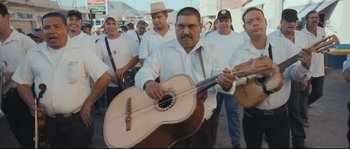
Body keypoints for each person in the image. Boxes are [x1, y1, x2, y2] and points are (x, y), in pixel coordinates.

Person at [135, 7, 236, 148]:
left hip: (203, 123)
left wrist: (226, 84)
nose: (186, 31)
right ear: (175, 26)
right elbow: (144, 71)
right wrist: (148, 83)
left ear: (200, 27)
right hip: (170, 125)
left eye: (191, 26)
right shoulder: (162, 50)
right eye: (181, 26)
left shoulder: (213, 50)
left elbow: (222, 81)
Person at [12, 12, 111, 148]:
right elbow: (22, 82)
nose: (51, 31)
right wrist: (31, 103)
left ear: (66, 28)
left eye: (57, 26)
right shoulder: (34, 52)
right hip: (48, 122)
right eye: (47, 27)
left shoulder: (82, 50)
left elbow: (104, 77)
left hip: (78, 120)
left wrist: (89, 103)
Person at [228, 7, 312, 148]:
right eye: (250, 22)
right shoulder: (240, 52)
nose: (255, 23)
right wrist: (255, 73)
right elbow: (234, 80)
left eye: (258, 19)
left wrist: (305, 65)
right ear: (244, 27)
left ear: (266, 22)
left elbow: (296, 75)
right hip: (252, 115)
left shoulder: (284, 45)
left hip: (279, 116)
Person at [269, 8, 314, 148]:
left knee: (295, 110)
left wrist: (305, 77)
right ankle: (269, 134)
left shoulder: (303, 37)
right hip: (276, 79)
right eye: (288, 21)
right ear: (281, 22)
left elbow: (307, 59)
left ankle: (298, 141)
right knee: (275, 109)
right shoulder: (272, 37)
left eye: (294, 21)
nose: (291, 24)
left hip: (296, 77)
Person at [204, 9, 244, 148]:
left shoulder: (239, 37)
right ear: (216, 23)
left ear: (231, 22)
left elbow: (243, 58)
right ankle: (210, 142)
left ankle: (236, 143)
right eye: (221, 20)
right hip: (213, 82)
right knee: (212, 115)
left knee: (233, 114)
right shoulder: (209, 38)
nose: (224, 23)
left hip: (232, 82)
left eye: (226, 20)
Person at [0, 3, 36, 148]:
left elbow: (37, 71)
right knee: (18, 137)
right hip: (5, 101)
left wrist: (13, 75)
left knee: (29, 140)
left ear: (7, 17)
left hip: (23, 99)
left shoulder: (26, 43)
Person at [96, 17, 139, 105]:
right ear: (104, 27)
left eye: (113, 23)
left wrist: (124, 69)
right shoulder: (100, 43)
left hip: (128, 82)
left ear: (118, 25)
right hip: (111, 86)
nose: (111, 26)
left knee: (131, 110)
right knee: (113, 113)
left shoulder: (128, 39)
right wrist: (112, 79)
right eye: (108, 24)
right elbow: (98, 65)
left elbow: (136, 57)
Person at [301, 10, 327, 126]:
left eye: (316, 17)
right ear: (306, 20)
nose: (315, 19)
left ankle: (304, 106)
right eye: (312, 17)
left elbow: (326, 50)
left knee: (318, 93)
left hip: (320, 69)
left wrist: (325, 66)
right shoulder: (301, 34)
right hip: (307, 70)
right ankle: (304, 117)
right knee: (304, 94)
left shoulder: (322, 31)